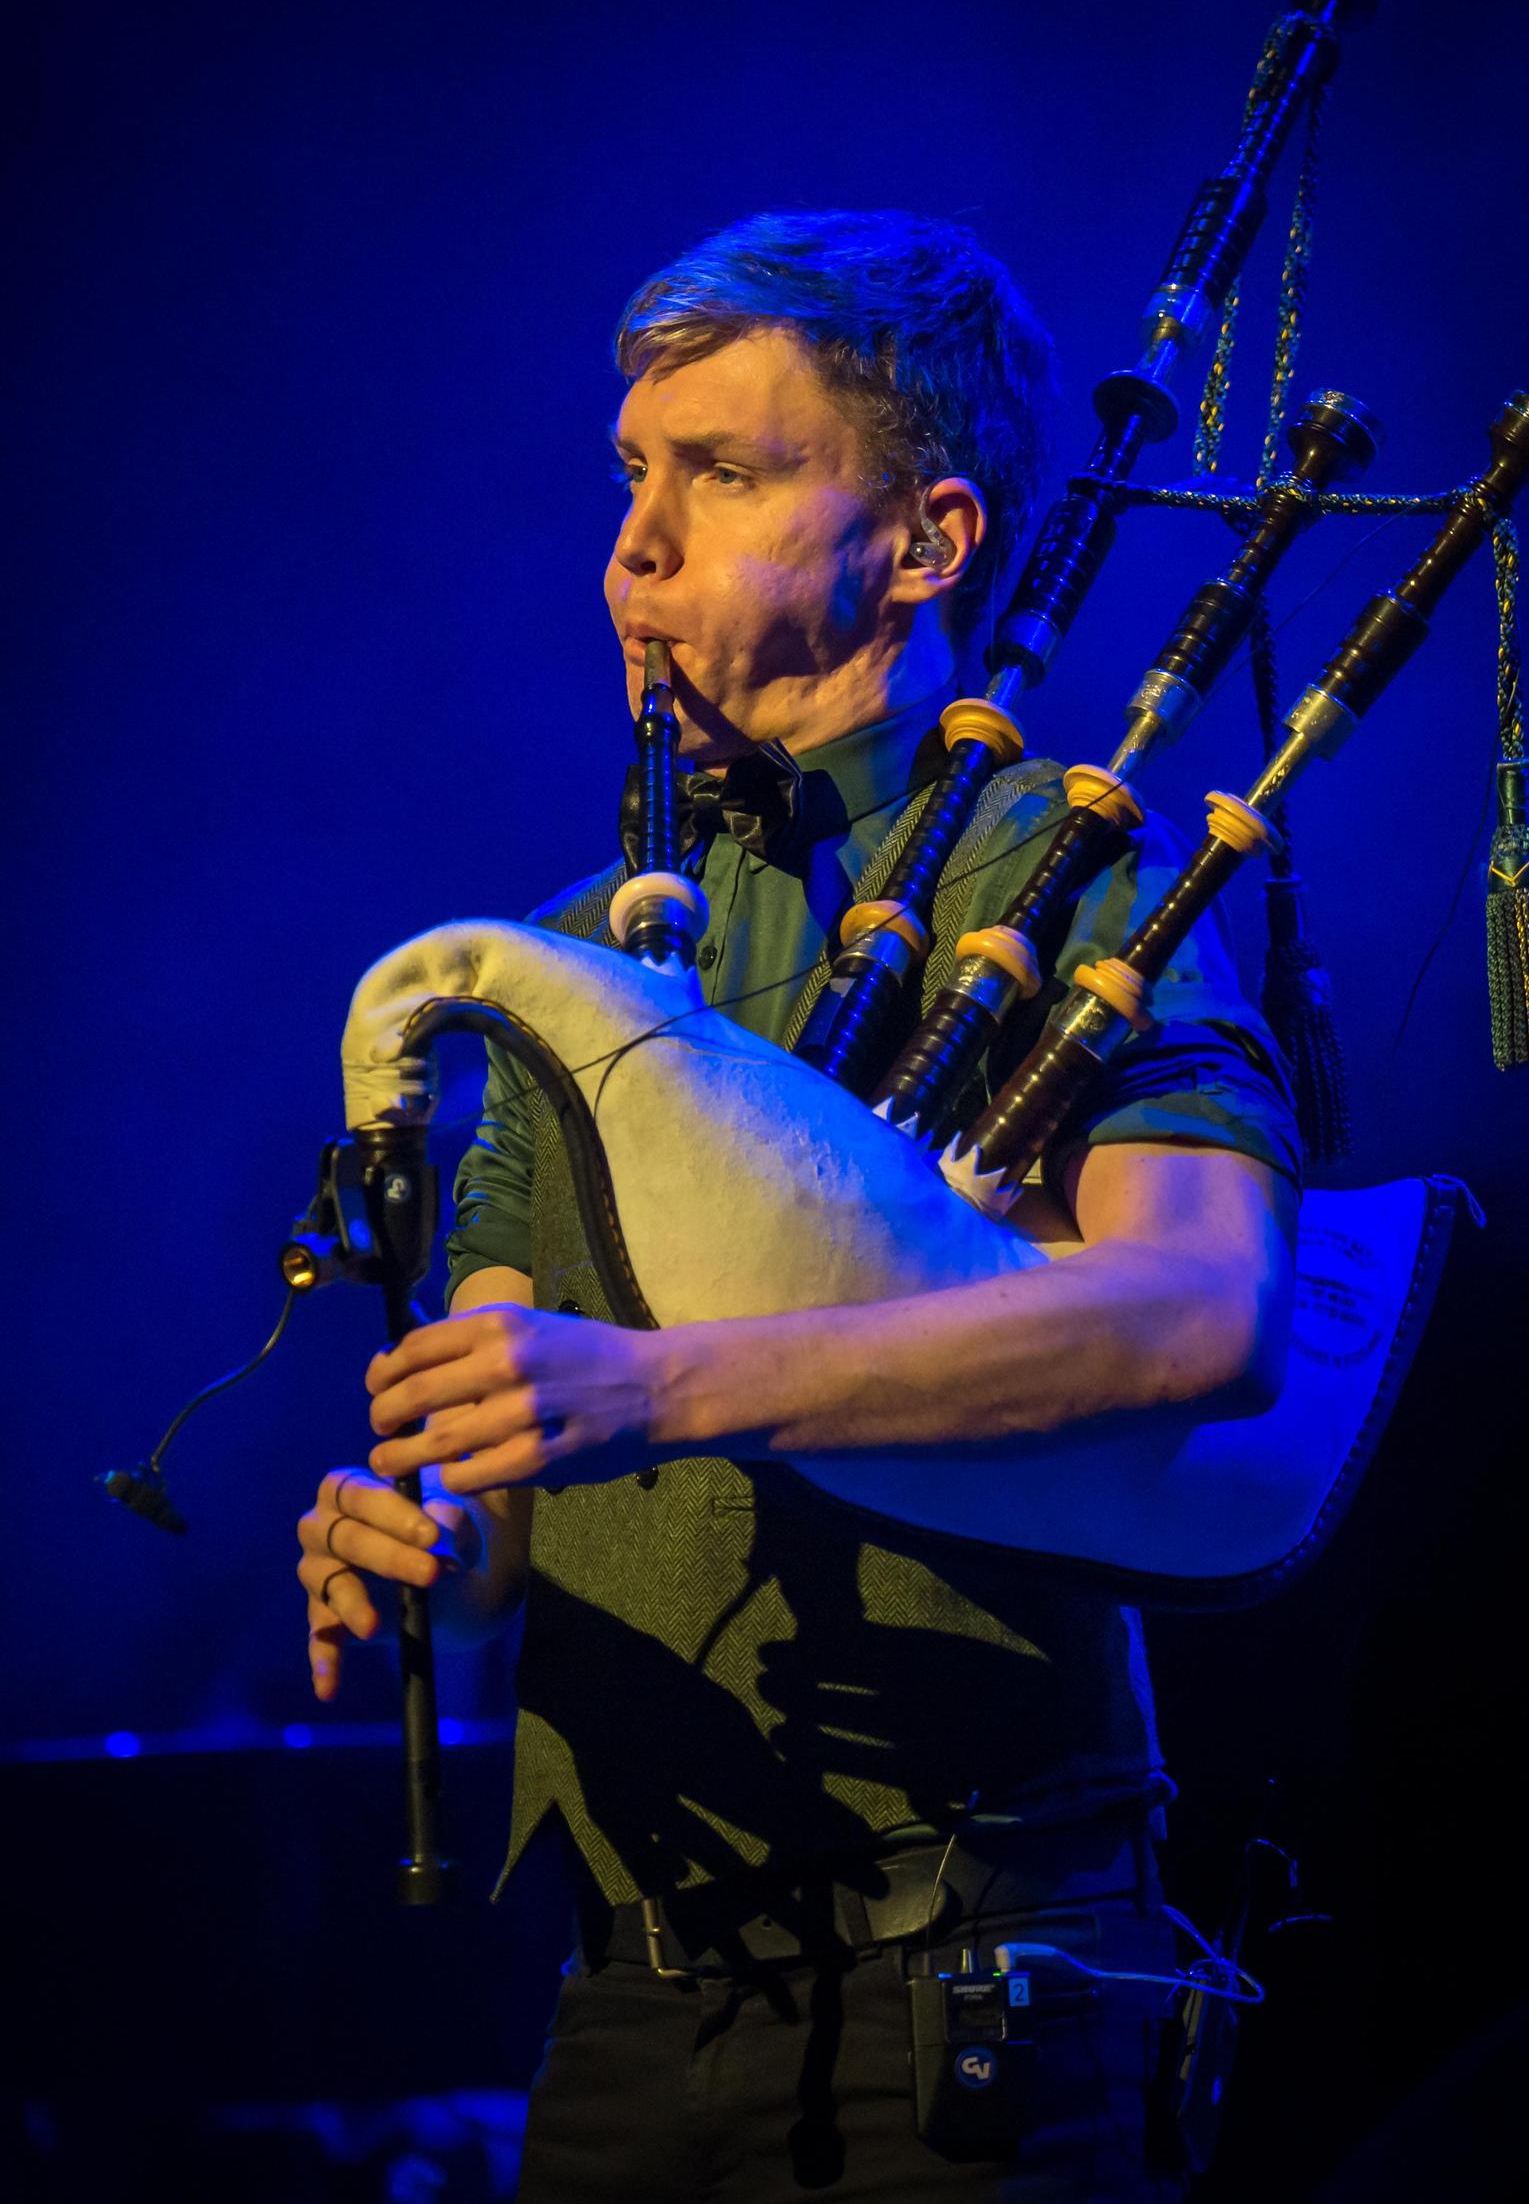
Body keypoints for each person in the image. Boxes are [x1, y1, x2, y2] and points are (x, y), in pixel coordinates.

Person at [294, 212, 1301, 2201]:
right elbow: (509, 1442)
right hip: (631, 2005)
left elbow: (1202, 1311)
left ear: (925, 542)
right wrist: (435, 1536)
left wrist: (664, 1392)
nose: (638, 546)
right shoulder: (578, 953)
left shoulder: (1076, 871)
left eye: (728, 473)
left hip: (985, 1992)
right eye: (632, 477)